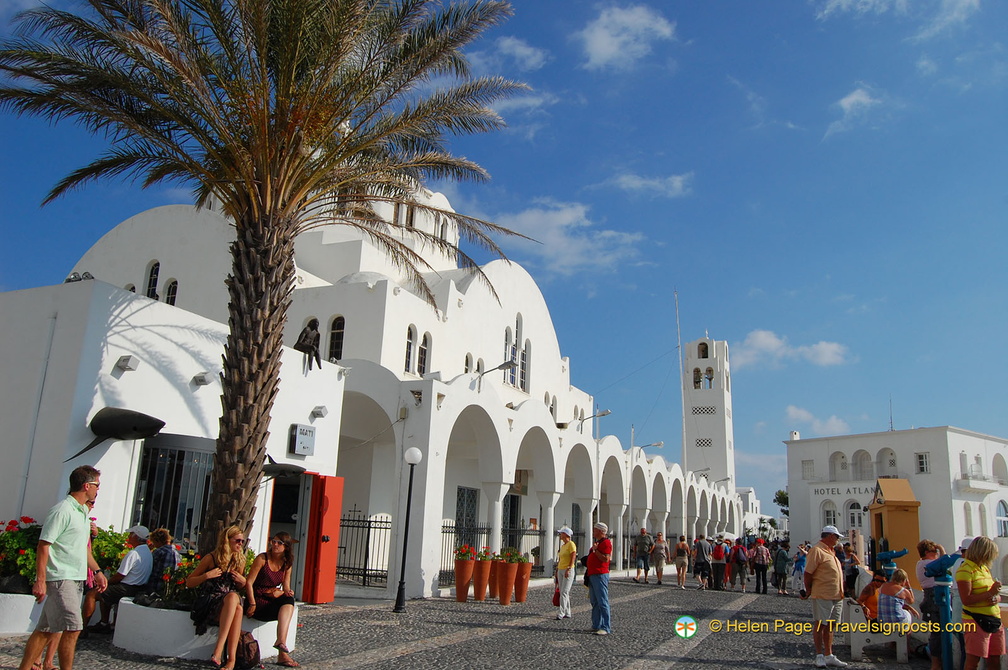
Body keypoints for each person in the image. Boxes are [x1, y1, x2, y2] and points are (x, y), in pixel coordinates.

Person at [18, 465, 108, 670]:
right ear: (87, 485)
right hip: (61, 577)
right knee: (74, 627)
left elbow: (82, 549)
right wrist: (40, 580)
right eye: (97, 485)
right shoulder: (62, 510)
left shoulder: (83, 511)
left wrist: (97, 571)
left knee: (46, 629)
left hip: (75, 578)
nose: (98, 490)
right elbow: (44, 545)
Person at [187, 525, 249, 670]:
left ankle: (230, 661)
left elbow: (240, 587)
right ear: (227, 540)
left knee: (237, 607)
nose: (240, 544)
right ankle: (220, 651)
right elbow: (189, 582)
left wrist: (243, 582)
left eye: (242, 541)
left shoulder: (239, 560)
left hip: (229, 604)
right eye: (237, 541)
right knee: (234, 599)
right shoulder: (211, 558)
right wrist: (206, 576)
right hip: (211, 602)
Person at [82, 525, 152, 633]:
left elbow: (120, 575)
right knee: (105, 593)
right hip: (139, 587)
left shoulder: (134, 553)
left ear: (136, 537)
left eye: (130, 534)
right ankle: (103, 623)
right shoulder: (148, 552)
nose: (128, 536)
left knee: (92, 594)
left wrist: (106, 582)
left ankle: (82, 629)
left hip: (126, 588)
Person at [246, 532, 299, 667]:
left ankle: (281, 643)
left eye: (279, 543)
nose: (275, 545)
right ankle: (282, 652)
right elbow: (249, 582)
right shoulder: (262, 559)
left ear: (286, 547)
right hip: (257, 599)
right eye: (273, 541)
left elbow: (286, 585)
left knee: (288, 599)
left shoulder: (287, 563)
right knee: (285, 600)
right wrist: (252, 603)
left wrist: (287, 592)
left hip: (271, 598)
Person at [802, 525, 849, 668]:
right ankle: (819, 655)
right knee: (820, 624)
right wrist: (808, 590)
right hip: (823, 593)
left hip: (836, 594)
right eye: (836, 537)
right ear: (830, 536)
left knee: (831, 625)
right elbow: (808, 573)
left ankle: (829, 654)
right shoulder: (817, 550)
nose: (837, 540)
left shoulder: (830, 551)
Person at [956, 535, 1004, 670]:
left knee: (995, 658)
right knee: (973, 661)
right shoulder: (965, 569)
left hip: (993, 619)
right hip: (976, 621)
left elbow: (994, 594)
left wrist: (995, 597)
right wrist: (990, 593)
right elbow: (966, 599)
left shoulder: (984, 568)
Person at [916, 539, 946, 670]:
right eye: (935, 551)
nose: (937, 553)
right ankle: (936, 664)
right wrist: (942, 549)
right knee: (937, 633)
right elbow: (945, 563)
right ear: (927, 552)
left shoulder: (920, 563)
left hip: (930, 596)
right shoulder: (927, 564)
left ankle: (937, 663)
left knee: (937, 632)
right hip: (934, 596)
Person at [585, 522, 612, 635]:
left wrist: (596, 551)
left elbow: (606, 559)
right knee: (594, 601)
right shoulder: (598, 543)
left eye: (595, 530)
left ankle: (606, 626)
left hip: (600, 574)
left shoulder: (606, 543)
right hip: (592, 574)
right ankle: (596, 624)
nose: (593, 531)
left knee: (602, 601)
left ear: (601, 531)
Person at [146, 528, 181, 594]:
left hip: (155, 585)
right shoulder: (177, 553)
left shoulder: (159, 551)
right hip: (168, 588)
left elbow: (149, 565)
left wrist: (149, 550)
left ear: (158, 541)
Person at [553, 526, 576, 620]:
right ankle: (567, 611)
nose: (560, 535)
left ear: (566, 535)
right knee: (563, 592)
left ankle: (561, 612)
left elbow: (573, 556)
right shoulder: (563, 546)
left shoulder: (571, 544)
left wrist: (569, 568)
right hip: (560, 569)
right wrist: (557, 570)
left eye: (561, 533)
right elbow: (560, 559)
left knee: (564, 592)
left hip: (567, 570)